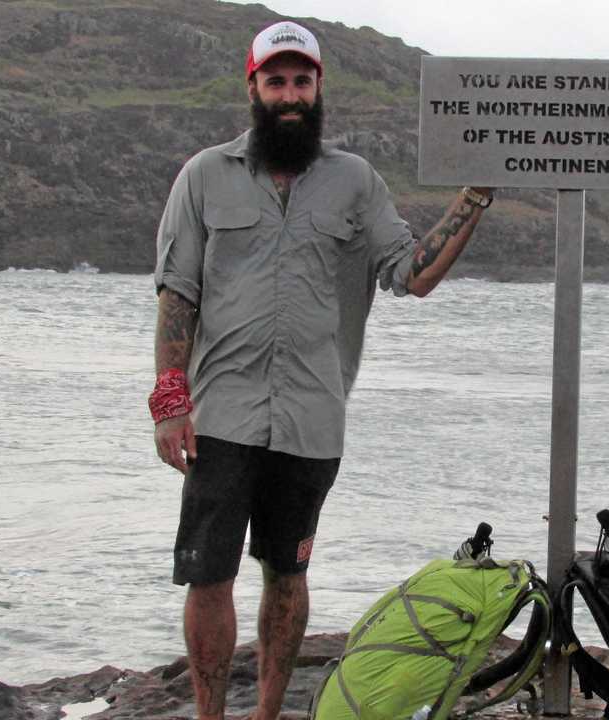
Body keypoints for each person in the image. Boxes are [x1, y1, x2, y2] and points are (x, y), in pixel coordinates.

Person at [148, 21, 494, 720]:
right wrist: (169, 400)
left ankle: (269, 715)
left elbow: (412, 273)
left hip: (312, 421)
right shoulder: (204, 177)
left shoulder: (355, 183)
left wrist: (475, 195)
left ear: (318, 88)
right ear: (253, 87)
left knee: (288, 572)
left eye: (301, 81)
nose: (290, 95)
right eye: (275, 81)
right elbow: (177, 292)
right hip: (221, 418)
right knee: (208, 575)